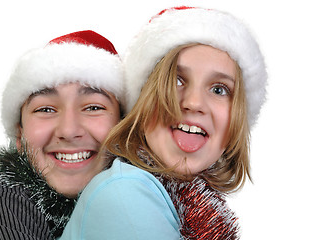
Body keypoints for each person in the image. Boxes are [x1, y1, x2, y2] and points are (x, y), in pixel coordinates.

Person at [60, 6, 267, 240]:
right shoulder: (125, 192)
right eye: (176, 80)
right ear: (143, 100)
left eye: (219, 89)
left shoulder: (185, 203)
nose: (193, 102)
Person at [0, 30, 124, 239]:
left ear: (125, 125)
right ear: (19, 135)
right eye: (45, 110)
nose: (69, 131)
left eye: (93, 107)